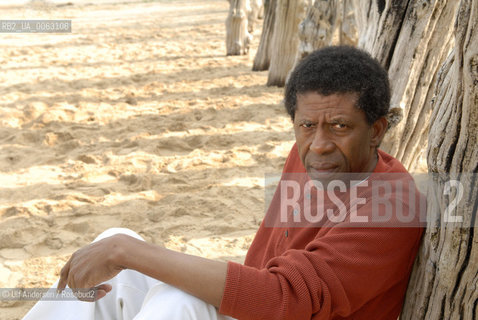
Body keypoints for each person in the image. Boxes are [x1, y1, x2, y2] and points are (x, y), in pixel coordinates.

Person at [23, 46, 425, 320]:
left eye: (339, 126)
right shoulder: (310, 159)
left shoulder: (393, 204)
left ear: (376, 130)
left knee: (176, 297)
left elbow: (288, 299)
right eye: (307, 125)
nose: (319, 144)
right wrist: (119, 248)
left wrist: (127, 251)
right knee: (114, 242)